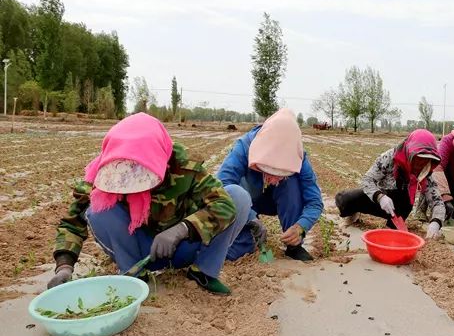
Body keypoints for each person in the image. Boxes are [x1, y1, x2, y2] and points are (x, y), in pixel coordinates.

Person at [49, 113, 247, 295]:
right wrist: (64, 267)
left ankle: (203, 272)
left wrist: (181, 230)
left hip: (185, 246)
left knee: (237, 196)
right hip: (140, 250)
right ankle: (134, 276)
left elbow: (223, 205)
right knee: (97, 210)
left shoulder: (184, 165)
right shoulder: (105, 171)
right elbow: (72, 224)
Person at [217, 109, 323, 262]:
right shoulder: (244, 146)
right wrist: (249, 217)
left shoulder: (299, 157)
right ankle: (244, 233)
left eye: (280, 173)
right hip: (248, 199)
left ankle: (294, 247)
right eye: (268, 170)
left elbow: (314, 202)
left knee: (291, 184)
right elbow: (221, 186)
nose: (273, 179)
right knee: (239, 251)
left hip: (276, 201)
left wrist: (301, 227)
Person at [335, 129, 445, 240]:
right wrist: (380, 197)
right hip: (379, 198)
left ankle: (392, 226)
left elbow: (437, 201)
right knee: (345, 198)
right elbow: (367, 180)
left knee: (405, 199)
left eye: (426, 160)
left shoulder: (425, 170)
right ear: (410, 152)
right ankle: (353, 213)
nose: (420, 164)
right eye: (418, 158)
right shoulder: (390, 158)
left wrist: (436, 222)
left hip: (399, 206)